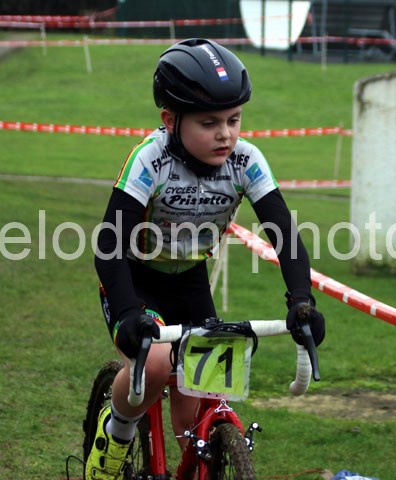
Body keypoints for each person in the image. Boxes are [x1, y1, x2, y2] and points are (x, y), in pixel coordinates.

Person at [88, 38, 325, 479]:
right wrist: (126, 313)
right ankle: (114, 436)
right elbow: (109, 246)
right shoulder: (150, 160)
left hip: (191, 283)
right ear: (170, 120)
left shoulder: (245, 161)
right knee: (155, 364)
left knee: (197, 411)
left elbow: (285, 235)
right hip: (136, 280)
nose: (225, 134)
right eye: (209, 122)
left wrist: (301, 300)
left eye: (234, 119)